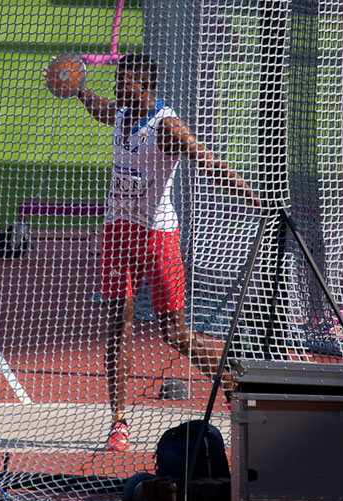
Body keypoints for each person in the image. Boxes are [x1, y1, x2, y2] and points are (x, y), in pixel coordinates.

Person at [46, 53, 258, 452]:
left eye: (123, 81)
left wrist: (249, 195)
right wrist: (75, 88)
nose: (116, 86)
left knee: (174, 333)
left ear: (144, 85)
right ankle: (118, 422)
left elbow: (206, 160)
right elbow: (99, 109)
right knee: (116, 327)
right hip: (116, 232)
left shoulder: (167, 127)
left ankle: (232, 381)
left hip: (156, 237)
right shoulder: (123, 115)